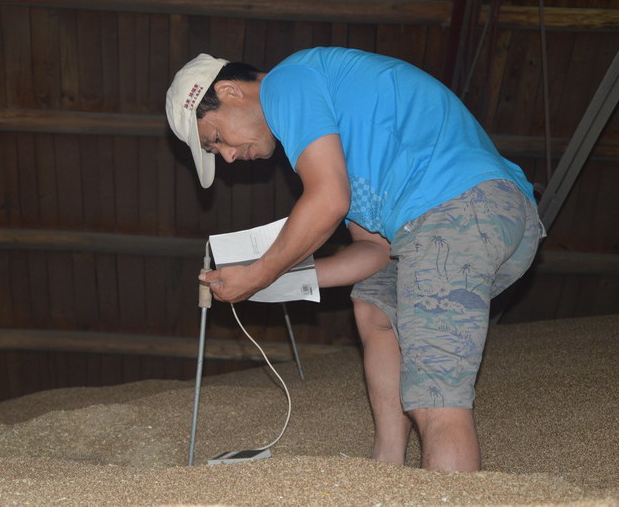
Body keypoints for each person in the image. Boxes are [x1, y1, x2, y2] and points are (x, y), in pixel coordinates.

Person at [165, 47, 544, 472]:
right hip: (470, 220)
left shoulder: (286, 82)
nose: (228, 157)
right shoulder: (336, 137)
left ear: (230, 91)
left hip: (458, 207)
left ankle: (446, 490)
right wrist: (276, 281)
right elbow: (376, 252)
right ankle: (385, 468)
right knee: (374, 304)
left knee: (435, 399)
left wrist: (258, 273)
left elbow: (328, 200)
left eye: (215, 139)